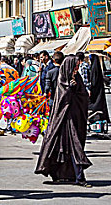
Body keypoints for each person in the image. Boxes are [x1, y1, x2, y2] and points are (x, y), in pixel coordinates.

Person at [35, 55, 92, 187]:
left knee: (72, 148)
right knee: (66, 148)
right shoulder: (62, 79)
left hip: (74, 118)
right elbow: (62, 100)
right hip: (62, 120)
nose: (77, 69)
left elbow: (83, 96)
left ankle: (73, 176)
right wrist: (70, 89)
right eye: (75, 66)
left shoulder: (78, 78)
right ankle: (75, 177)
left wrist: (77, 89)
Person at [88, 54, 110, 124]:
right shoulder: (96, 67)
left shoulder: (93, 69)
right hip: (99, 89)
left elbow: (93, 81)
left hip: (95, 90)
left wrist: (90, 88)